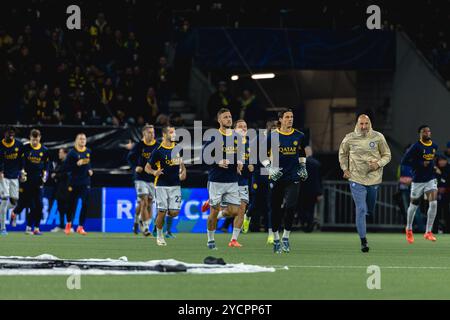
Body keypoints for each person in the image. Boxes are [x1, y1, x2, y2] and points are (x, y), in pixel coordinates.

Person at [338, 114, 391, 253]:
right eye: (361, 124)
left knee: (369, 209)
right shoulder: (349, 137)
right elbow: (342, 154)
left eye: (366, 124)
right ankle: (363, 241)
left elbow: (387, 155)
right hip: (356, 178)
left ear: (370, 123)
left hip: (374, 178)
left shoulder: (378, 137)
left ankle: (367, 215)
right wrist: (345, 169)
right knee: (361, 209)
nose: (364, 127)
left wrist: (378, 164)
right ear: (357, 124)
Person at [261, 109, 308, 253]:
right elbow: (262, 155)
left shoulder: (299, 135)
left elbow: (301, 152)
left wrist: (303, 166)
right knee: (275, 209)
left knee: (290, 207)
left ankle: (286, 237)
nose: (290, 119)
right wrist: (269, 168)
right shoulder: (273, 136)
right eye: (287, 117)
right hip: (276, 177)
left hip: (293, 176)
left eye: (292, 117)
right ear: (280, 119)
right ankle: (276, 238)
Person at [204, 108, 243, 249]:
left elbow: (240, 153)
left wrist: (240, 163)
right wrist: (218, 161)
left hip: (232, 180)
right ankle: (210, 240)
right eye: (225, 117)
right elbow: (205, 157)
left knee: (234, 211)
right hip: (216, 180)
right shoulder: (213, 136)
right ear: (219, 120)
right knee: (213, 213)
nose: (229, 119)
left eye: (230, 116)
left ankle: (217, 210)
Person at [145, 126, 186, 246]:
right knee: (162, 211)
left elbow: (181, 164)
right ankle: (159, 235)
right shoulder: (158, 150)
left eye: (175, 131)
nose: (174, 134)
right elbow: (147, 167)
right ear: (164, 134)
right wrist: (154, 172)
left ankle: (158, 219)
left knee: (174, 212)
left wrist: (183, 171)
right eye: (171, 132)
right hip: (162, 185)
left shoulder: (178, 148)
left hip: (175, 185)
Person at [402, 125, 439, 243]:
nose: (428, 133)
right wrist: (420, 164)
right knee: (414, 206)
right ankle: (408, 229)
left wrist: (433, 167)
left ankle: (428, 232)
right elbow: (405, 161)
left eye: (429, 131)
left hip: (430, 179)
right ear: (420, 134)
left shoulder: (434, 146)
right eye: (425, 132)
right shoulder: (416, 147)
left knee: (433, 204)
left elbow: (431, 160)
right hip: (418, 181)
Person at [243, 120, 277, 244]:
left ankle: (271, 235)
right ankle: (248, 215)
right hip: (259, 172)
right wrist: (251, 163)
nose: (274, 129)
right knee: (256, 202)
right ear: (267, 128)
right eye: (272, 127)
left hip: (271, 173)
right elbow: (250, 151)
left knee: (270, 205)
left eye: (276, 127)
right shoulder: (259, 139)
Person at [10, 129, 49, 235]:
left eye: (36, 140)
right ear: (30, 138)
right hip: (26, 181)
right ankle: (17, 215)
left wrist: (46, 174)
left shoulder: (44, 150)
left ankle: (35, 228)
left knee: (39, 205)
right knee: (26, 204)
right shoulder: (25, 148)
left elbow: (46, 165)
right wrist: (21, 172)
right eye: (33, 140)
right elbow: (19, 162)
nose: (35, 142)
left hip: (38, 181)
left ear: (40, 138)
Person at [126, 125, 157, 236]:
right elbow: (130, 157)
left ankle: (137, 220)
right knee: (143, 201)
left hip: (152, 178)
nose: (152, 134)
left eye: (153, 132)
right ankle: (145, 228)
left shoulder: (157, 146)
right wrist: (135, 167)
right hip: (140, 178)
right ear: (144, 134)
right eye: (149, 132)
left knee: (148, 203)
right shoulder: (139, 146)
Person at [63, 133, 93, 235]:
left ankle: (80, 227)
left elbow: (88, 163)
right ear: (76, 140)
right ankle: (68, 224)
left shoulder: (88, 151)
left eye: (84, 139)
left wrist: (90, 170)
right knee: (71, 205)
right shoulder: (72, 153)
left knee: (85, 204)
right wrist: (76, 165)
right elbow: (66, 167)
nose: (82, 140)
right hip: (74, 181)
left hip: (85, 181)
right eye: (80, 139)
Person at [0, 126, 23, 235]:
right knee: (4, 200)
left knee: (14, 202)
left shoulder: (19, 144)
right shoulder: (1, 145)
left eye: (13, 133)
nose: (11, 135)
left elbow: (21, 160)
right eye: (9, 133)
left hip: (14, 177)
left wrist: (22, 171)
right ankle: (3, 228)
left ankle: (2, 211)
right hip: (3, 176)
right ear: (4, 134)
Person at [396, 144, 425, 232]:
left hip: (415, 189)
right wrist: (404, 180)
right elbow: (399, 177)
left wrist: (411, 180)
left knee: (417, 210)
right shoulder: (402, 163)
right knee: (406, 210)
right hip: (404, 189)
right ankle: (410, 229)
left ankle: (421, 229)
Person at [298, 146, 323, 233]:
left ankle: (304, 222)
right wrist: (320, 192)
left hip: (301, 190)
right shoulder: (317, 163)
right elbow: (319, 179)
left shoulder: (300, 163)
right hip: (313, 190)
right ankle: (309, 225)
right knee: (311, 209)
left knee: (301, 208)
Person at [50, 148, 71, 232]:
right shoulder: (59, 163)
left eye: (61, 152)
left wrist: (56, 175)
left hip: (67, 189)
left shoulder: (68, 163)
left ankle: (69, 226)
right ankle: (61, 226)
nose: (59, 154)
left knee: (68, 208)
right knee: (60, 208)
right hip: (59, 189)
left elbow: (67, 174)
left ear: (65, 154)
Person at [436, 154, 450, 232]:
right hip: (436, 195)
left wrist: (445, 188)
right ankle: (434, 229)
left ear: (446, 161)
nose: (441, 162)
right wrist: (437, 188)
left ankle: (448, 230)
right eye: (439, 161)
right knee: (435, 212)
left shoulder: (448, 169)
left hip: (447, 195)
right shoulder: (435, 169)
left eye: (443, 160)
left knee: (446, 212)